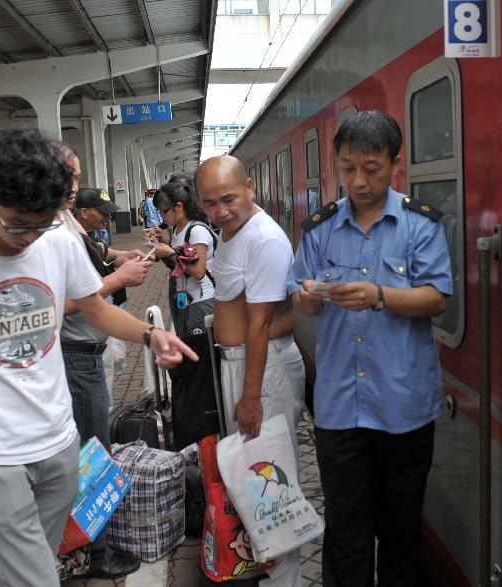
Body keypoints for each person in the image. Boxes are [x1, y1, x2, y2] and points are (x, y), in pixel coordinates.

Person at [0, 129, 196, 587]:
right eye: (18, 224)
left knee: (33, 560)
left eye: (41, 224)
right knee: (34, 577)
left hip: (57, 445)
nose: (28, 239)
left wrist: (150, 334)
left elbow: (96, 307)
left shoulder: (56, 240)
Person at [288, 111, 452, 587]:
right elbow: (301, 294)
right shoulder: (319, 228)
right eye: (347, 168)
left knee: (401, 527)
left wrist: (379, 295)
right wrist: (307, 298)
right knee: (346, 528)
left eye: (371, 168)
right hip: (340, 407)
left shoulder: (421, 226)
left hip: (403, 405)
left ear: (394, 164)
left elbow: (437, 298)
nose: (358, 180)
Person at [195, 155, 305, 587]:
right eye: (209, 203)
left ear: (250, 188)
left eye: (228, 199)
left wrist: (252, 397)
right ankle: (265, 568)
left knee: (271, 478)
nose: (220, 210)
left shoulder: (264, 239)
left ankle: (286, 578)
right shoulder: (229, 232)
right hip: (240, 364)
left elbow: (260, 324)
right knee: (252, 475)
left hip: (263, 369)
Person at [60, 186, 149, 579]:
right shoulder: (52, 232)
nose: (72, 191)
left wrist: (118, 261)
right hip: (76, 359)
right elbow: (60, 302)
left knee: (94, 452)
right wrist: (118, 279)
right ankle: (95, 555)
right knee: (93, 455)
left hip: (84, 356)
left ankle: (90, 549)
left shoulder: (64, 226)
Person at [151, 182, 216, 338]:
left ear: (178, 207)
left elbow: (199, 272)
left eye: (164, 211)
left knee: (201, 354)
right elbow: (180, 260)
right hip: (185, 300)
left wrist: (171, 253)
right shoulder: (178, 229)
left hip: (202, 301)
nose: (161, 216)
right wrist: (162, 242)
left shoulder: (197, 231)